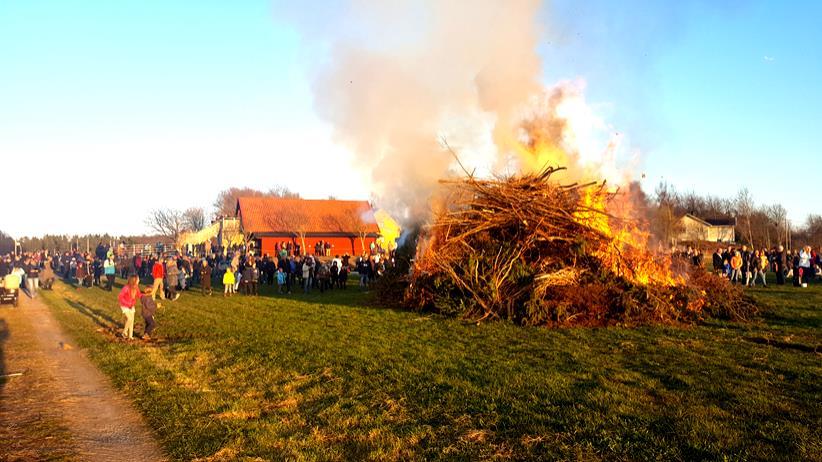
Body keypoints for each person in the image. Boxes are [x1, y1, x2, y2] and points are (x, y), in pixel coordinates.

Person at [118, 275, 140, 340]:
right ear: (134, 280)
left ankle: (130, 336)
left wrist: (148, 295)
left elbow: (139, 295)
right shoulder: (126, 287)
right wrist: (127, 304)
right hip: (124, 306)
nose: (139, 280)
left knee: (132, 320)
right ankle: (124, 332)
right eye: (138, 279)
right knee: (129, 319)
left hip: (131, 306)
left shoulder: (136, 287)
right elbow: (120, 297)